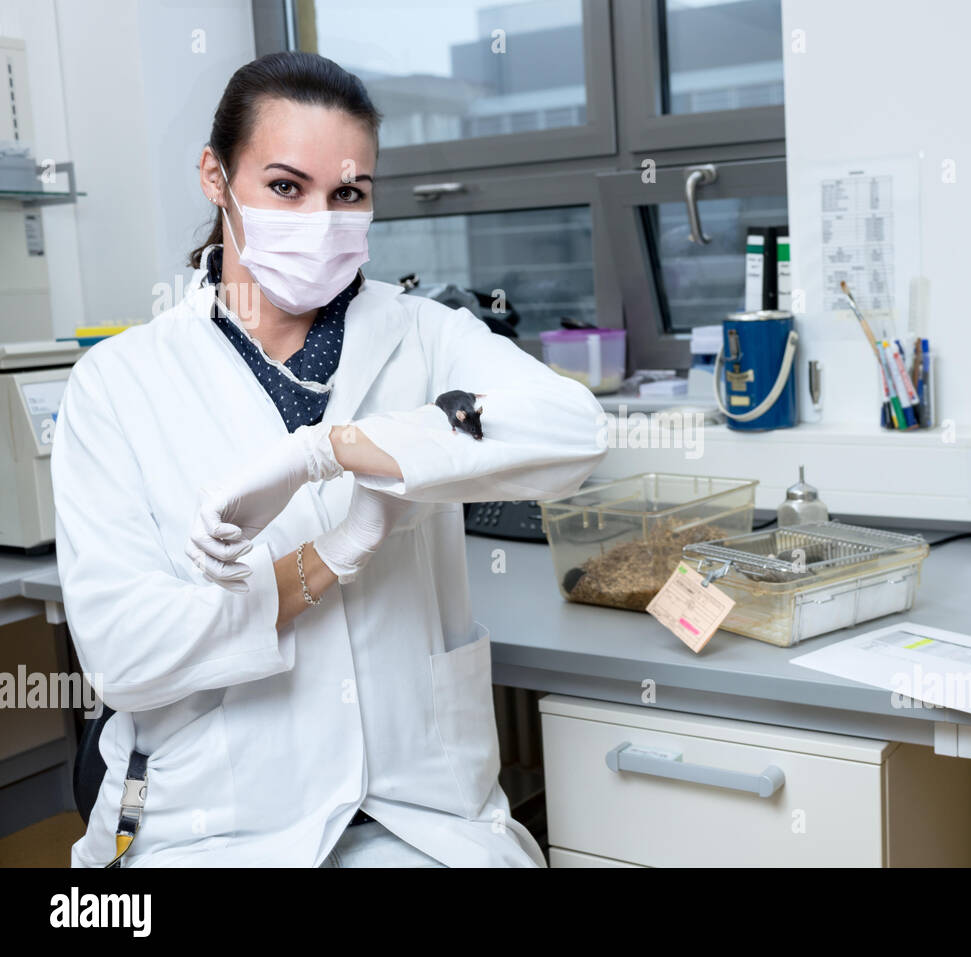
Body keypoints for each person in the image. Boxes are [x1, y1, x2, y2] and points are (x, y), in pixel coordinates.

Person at [51, 51, 606, 867]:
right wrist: (332, 554)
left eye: (347, 193)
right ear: (216, 176)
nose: (320, 218)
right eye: (286, 186)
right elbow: (126, 658)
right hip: (216, 827)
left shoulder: (424, 333)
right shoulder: (120, 383)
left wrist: (329, 449)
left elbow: (573, 430)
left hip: (424, 815)